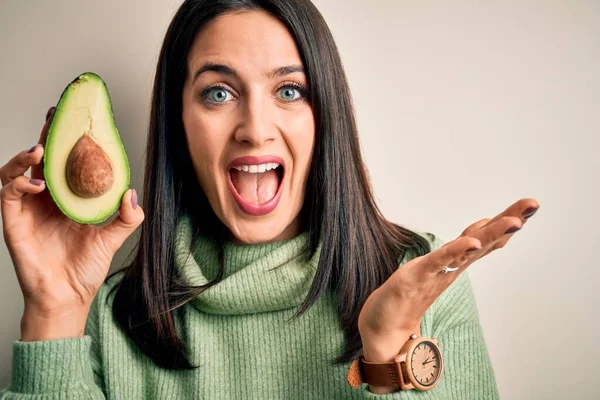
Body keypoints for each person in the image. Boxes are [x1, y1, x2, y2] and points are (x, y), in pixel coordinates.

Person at [0, 0, 539, 398]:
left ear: (324, 116)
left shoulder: (421, 282)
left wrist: (388, 356)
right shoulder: (110, 316)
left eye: (289, 91)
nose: (255, 129)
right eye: (218, 92)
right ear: (178, 124)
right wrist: (54, 310)